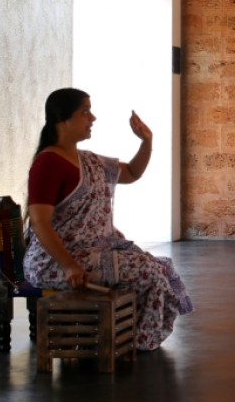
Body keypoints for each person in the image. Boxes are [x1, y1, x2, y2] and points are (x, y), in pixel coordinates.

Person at [23, 88, 193, 351]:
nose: (93, 118)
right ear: (63, 119)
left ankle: (124, 337)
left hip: (89, 253)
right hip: (53, 261)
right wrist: (68, 265)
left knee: (160, 268)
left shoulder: (88, 160)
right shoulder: (48, 163)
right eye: (85, 112)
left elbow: (132, 172)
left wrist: (146, 142)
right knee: (149, 274)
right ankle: (135, 342)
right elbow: (39, 222)